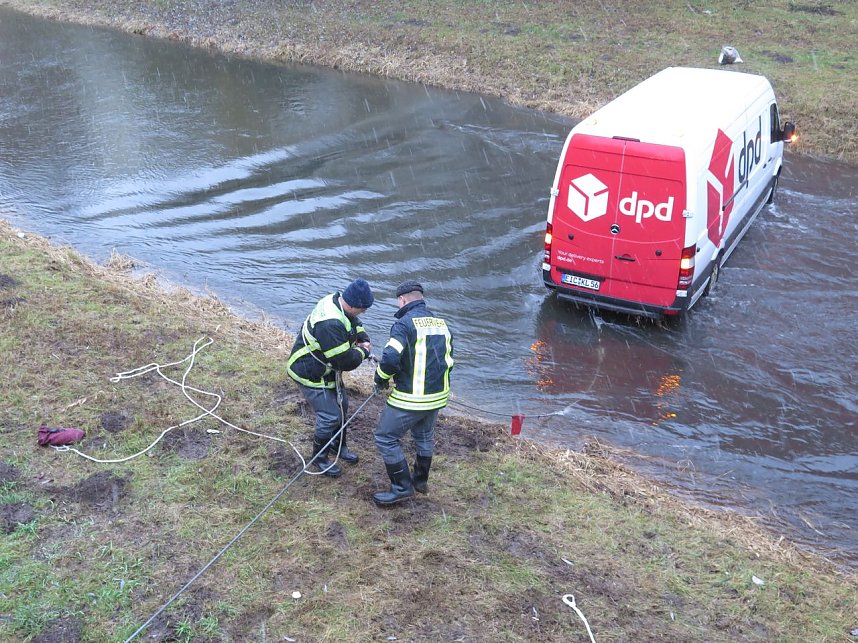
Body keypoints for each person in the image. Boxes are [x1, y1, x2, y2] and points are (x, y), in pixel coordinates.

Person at [372, 280, 454, 505]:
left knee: (385, 437)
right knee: (425, 436)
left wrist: (380, 379)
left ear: (402, 300)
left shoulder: (403, 324)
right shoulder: (441, 323)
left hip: (411, 398)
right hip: (437, 396)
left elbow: (389, 359)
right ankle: (420, 481)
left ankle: (401, 487)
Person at [287, 278, 374, 477]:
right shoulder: (330, 323)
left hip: (325, 369)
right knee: (330, 416)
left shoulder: (338, 301)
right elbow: (344, 361)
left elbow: (354, 322)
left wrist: (363, 338)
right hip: (309, 372)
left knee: (342, 407)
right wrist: (364, 352)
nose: (364, 312)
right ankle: (320, 458)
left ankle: (338, 446)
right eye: (362, 308)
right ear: (352, 304)